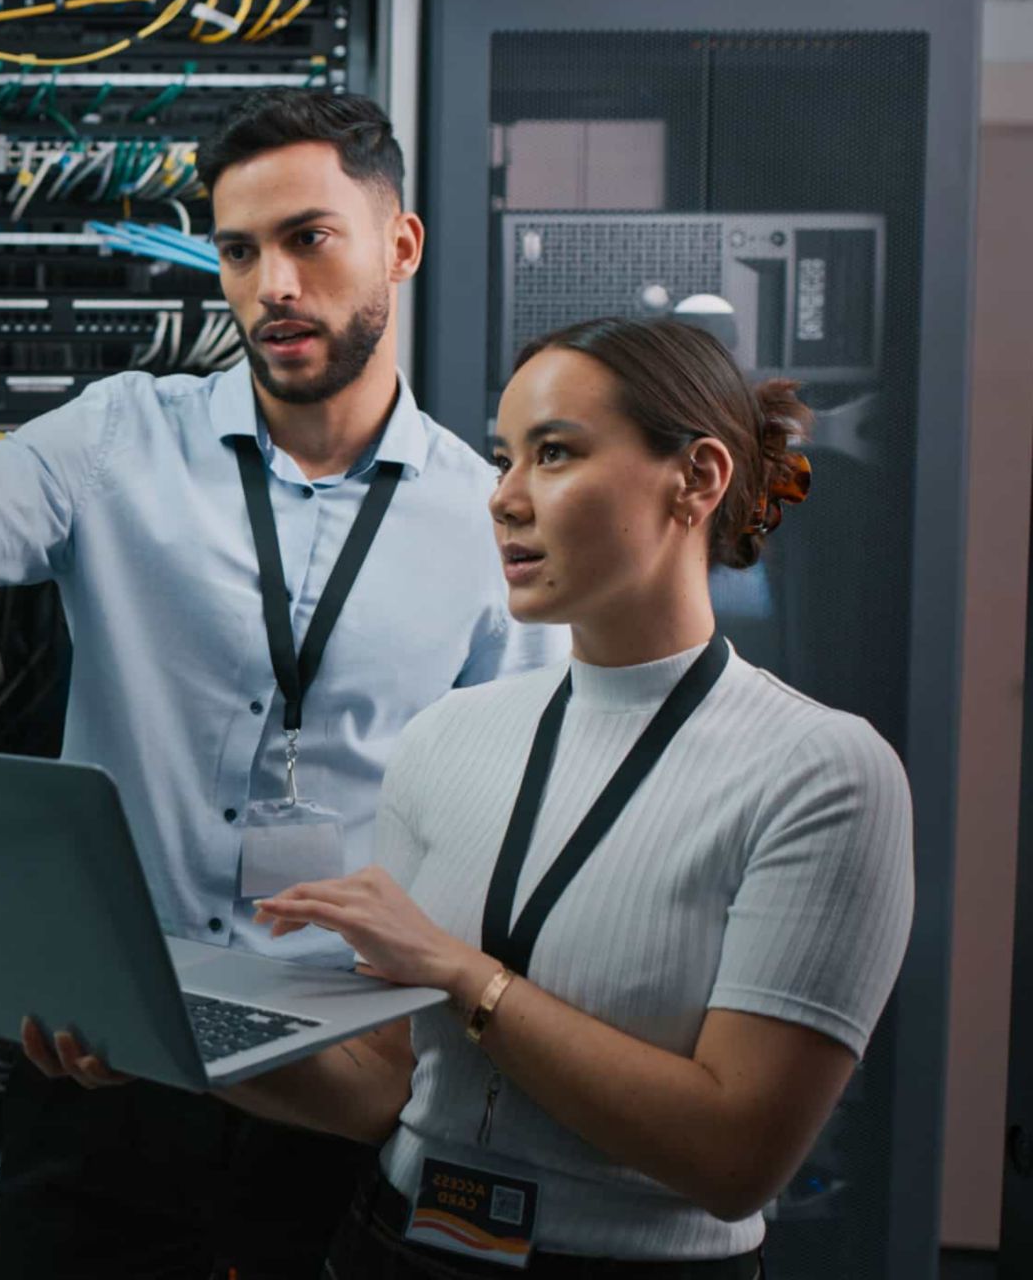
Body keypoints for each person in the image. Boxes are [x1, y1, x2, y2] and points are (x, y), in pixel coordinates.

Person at [0, 90, 566, 1280]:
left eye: (308, 238)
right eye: (237, 251)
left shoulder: (483, 514)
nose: (269, 285)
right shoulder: (118, 436)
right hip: (109, 1053)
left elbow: (514, 813)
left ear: (399, 246)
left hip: (338, 1073)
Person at [203, 315, 912, 1276]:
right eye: (504, 459)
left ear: (696, 480)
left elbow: (735, 1159)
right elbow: (385, 1091)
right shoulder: (447, 736)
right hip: (391, 1242)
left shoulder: (822, 774)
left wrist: (466, 975)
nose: (503, 499)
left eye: (554, 454)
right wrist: (170, 1041)